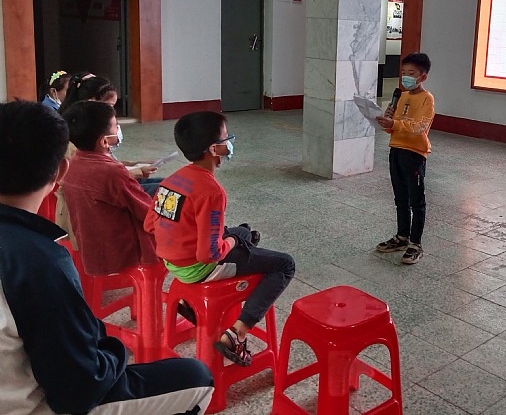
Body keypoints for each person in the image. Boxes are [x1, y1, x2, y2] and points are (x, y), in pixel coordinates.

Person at [0, 99, 214, 414]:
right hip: (32, 406)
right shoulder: (39, 262)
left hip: (88, 246)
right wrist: (117, 350)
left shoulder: (37, 251)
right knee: (196, 377)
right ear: (60, 170)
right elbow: (79, 388)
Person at [144, 111, 296, 367]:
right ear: (214, 149)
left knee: (244, 232)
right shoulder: (211, 192)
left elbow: (150, 224)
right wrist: (232, 241)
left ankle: (191, 304)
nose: (230, 143)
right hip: (200, 268)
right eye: (227, 138)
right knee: (284, 264)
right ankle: (236, 333)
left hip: (173, 264)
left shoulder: (172, 180)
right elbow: (210, 254)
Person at [61, 100, 159, 275]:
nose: (118, 129)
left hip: (91, 248)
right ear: (104, 141)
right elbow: (147, 213)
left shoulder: (73, 162)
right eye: (116, 126)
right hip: (120, 254)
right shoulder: (112, 172)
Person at [375, 52, 435, 264]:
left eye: (411, 73)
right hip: (396, 150)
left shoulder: (426, 99)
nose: (406, 77)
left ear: (423, 76)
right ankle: (402, 237)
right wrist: (387, 121)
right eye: (403, 73)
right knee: (400, 197)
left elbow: (420, 127)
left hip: (414, 154)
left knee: (416, 201)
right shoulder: (401, 96)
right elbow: (393, 129)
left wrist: (395, 124)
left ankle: (415, 244)